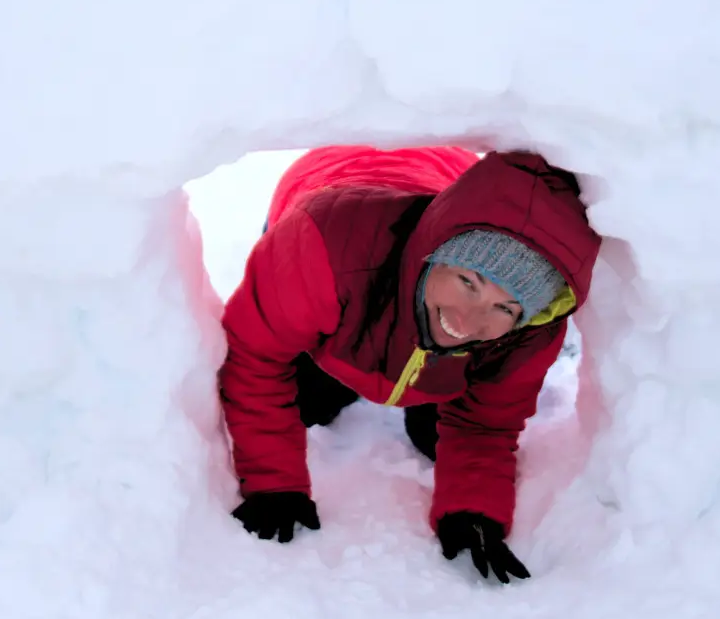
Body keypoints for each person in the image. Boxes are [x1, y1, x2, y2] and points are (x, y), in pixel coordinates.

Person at [217, 145, 601, 583]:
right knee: (308, 397)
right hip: (332, 188)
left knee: (431, 433)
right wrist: (273, 482)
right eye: (467, 282)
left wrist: (473, 508)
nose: (467, 319)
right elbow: (254, 355)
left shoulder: (529, 331)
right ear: (439, 248)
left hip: (441, 171)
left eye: (504, 307)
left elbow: (486, 421)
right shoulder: (317, 245)